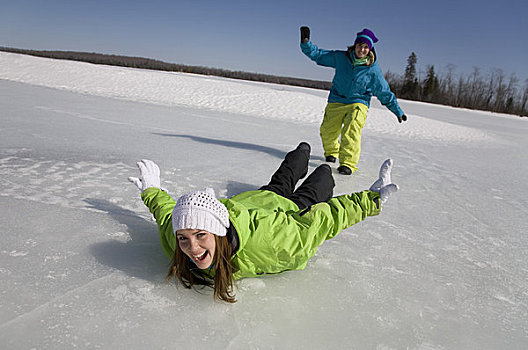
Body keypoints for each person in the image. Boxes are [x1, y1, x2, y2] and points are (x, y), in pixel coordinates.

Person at [128, 142, 398, 302]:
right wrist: (151, 189)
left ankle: (306, 153)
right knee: (287, 181)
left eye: (200, 235)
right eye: (184, 238)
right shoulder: (175, 241)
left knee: (319, 181)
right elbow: (166, 213)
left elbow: (323, 220)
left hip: (290, 210)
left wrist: (371, 200)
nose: (192, 247)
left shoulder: (275, 243)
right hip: (257, 201)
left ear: (218, 231)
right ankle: (311, 160)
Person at [300, 26, 407, 175]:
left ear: (369, 50)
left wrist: (397, 110)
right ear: (355, 46)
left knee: (352, 129)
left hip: (358, 102)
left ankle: (348, 163)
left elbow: (384, 92)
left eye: (365, 47)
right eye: (359, 45)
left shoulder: (373, 70)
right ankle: (331, 152)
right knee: (327, 130)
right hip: (337, 99)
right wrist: (306, 43)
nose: (361, 50)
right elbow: (318, 55)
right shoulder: (341, 58)